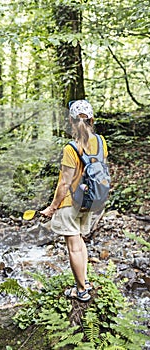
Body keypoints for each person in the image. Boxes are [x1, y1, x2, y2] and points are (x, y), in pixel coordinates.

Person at [40, 100, 108, 302]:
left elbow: (64, 184)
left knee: (74, 247)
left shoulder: (71, 148)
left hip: (71, 202)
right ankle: (85, 281)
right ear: (92, 119)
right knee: (80, 242)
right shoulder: (101, 141)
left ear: (71, 121)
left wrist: (52, 208)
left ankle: (81, 290)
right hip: (91, 201)